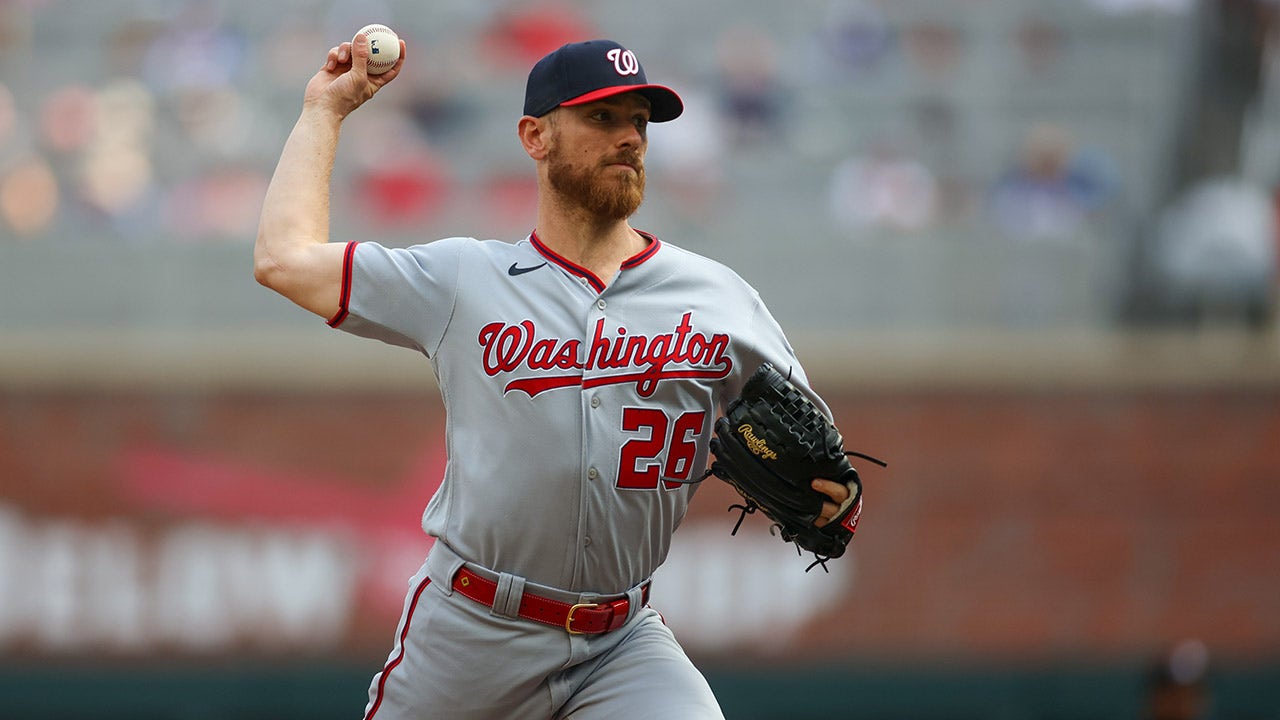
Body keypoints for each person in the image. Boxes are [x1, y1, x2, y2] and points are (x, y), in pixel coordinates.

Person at [255, 33, 853, 720]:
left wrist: (838, 500)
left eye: (638, 121)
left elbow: (820, 457)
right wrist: (323, 113)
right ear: (535, 136)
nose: (629, 137)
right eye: (602, 118)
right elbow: (283, 258)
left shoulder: (718, 297)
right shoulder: (463, 280)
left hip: (621, 642)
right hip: (472, 633)